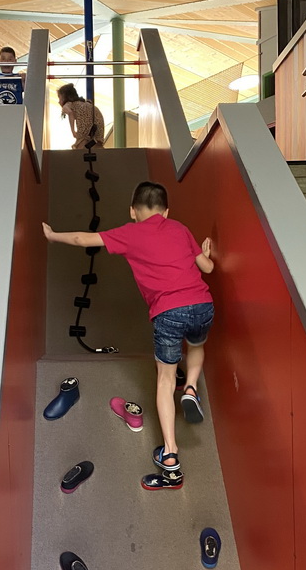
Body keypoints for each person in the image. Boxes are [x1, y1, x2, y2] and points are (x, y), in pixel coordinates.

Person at [42, 181, 213, 478]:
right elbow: (207, 268)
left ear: (133, 211)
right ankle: (191, 387)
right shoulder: (180, 228)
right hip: (202, 304)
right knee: (196, 346)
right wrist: (205, 251)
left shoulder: (129, 232)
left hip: (167, 312)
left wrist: (53, 235)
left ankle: (170, 453)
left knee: (164, 377)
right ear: (167, 211)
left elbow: (84, 239)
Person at [57, 83, 105, 150]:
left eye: (59, 98)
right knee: (94, 145)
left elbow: (70, 113)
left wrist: (73, 131)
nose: (58, 102)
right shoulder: (87, 104)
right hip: (97, 128)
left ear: (64, 97)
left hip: (85, 131)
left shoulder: (68, 104)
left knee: (80, 147)